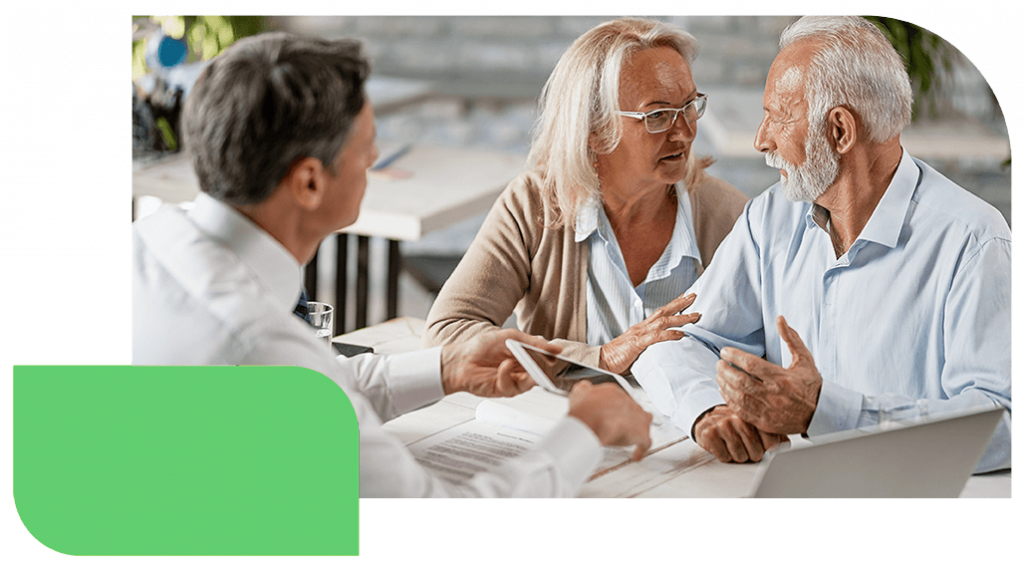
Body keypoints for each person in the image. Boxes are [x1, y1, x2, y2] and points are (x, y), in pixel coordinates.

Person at [131, 31, 654, 498]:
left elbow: (320, 387)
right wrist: (584, 432)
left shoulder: (151, 241)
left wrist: (446, 369)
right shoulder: (257, 342)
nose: (377, 157)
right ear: (310, 182)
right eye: (367, 149)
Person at [633, 14, 1012, 472]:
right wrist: (708, 410)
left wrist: (824, 412)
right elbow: (671, 340)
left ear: (839, 131)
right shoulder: (769, 219)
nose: (760, 139)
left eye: (776, 116)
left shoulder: (973, 241)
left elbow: (1002, 422)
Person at [423, 18, 750, 377]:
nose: (686, 132)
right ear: (594, 130)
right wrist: (600, 357)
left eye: (689, 105)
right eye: (657, 115)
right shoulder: (534, 204)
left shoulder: (729, 215)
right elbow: (449, 331)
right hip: (566, 424)